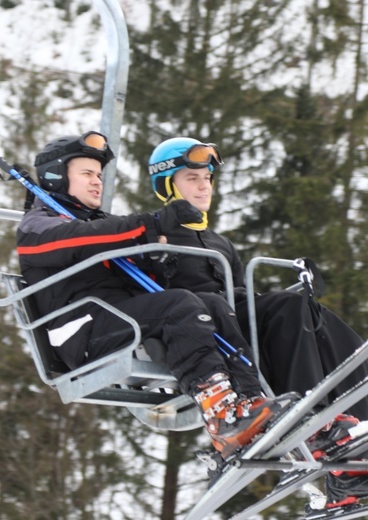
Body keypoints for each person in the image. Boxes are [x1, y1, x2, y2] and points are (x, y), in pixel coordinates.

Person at [145, 137, 368, 509]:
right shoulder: (153, 235)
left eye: (207, 179)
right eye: (192, 178)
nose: (203, 186)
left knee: (333, 330)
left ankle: (352, 469)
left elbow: (240, 293)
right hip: (206, 328)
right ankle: (310, 425)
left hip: (235, 316)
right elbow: (158, 300)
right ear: (168, 185)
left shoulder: (219, 242)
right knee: (290, 309)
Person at [16, 131, 295, 460]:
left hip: (118, 319)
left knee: (214, 305)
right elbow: (79, 241)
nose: (97, 182)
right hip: (82, 332)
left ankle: (248, 401)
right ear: (56, 177)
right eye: (87, 174)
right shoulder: (38, 226)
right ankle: (220, 414)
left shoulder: (98, 224)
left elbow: (120, 249)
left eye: (99, 175)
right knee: (179, 305)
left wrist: (155, 258)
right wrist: (149, 225)